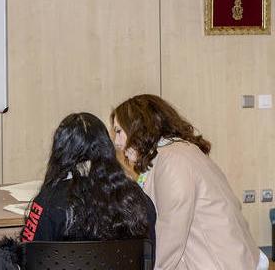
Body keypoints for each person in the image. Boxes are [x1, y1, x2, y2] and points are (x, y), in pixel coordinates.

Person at [111, 94, 268, 270]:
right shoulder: (179, 152)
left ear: (138, 127)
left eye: (119, 132)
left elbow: (171, 237)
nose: (117, 142)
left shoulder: (173, 161)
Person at [19, 112, 155, 244]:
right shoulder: (137, 198)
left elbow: (28, 256)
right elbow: (148, 257)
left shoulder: (47, 201)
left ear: (61, 152)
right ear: (106, 148)